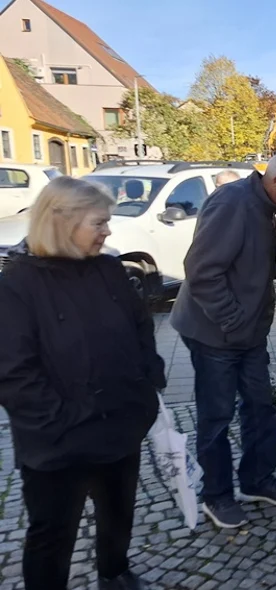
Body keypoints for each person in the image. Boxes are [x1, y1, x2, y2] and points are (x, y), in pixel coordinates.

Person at [0, 177, 165, 590]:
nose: (108, 231)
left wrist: (148, 383)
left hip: (119, 425)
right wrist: (62, 420)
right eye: (99, 222)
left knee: (118, 512)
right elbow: (14, 373)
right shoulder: (17, 286)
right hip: (58, 442)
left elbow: (141, 328)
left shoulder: (108, 269)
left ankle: (115, 572)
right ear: (63, 222)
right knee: (52, 535)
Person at [170, 152, 276, 529]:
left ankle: (256, 480)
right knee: (216, 416)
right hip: (214, 333)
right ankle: (216, 495)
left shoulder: (264, 205)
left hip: (247, 334)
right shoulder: (232, 203)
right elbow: (201, 272)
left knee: (260, 406)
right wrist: (234, 321)